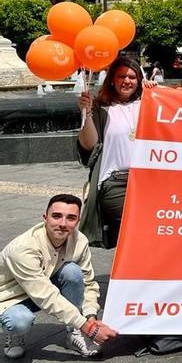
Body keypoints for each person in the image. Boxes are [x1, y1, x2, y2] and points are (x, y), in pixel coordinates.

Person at [0, 195, 118, 359]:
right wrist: (88, 328)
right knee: (19, 321)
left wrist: (90, 316)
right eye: (56, 216)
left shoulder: (79, 240)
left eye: (71, 218)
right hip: (11, 296)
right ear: (45, 218)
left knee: (72, 272)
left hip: (45, 284)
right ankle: (14, 335)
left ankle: (73, 333)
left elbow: (88, 282)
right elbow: (45, 295)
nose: (63, 224)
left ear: (78, 222)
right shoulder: (23, 249)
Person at [77, 57, 153, 249]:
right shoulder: (100, 108)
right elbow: (89, 146)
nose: (127, 81)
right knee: (131, 232)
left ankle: (133, 276)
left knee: (148, 233)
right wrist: (86, 114)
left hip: (148, 181)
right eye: (121, 76)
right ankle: (130, 276)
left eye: (132, 77)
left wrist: (157, 91)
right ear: (111, 79)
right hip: (116, 183)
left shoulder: (150, 103)